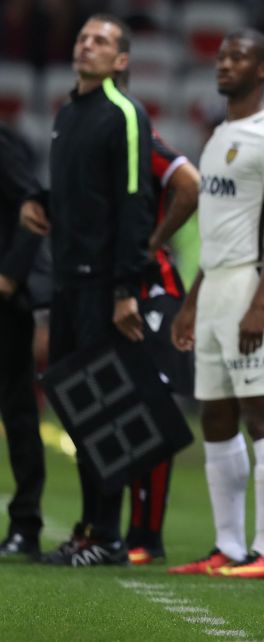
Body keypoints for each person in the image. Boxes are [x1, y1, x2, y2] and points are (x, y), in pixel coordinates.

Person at [166, 29, 264, 580]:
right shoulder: (220, 133)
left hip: (252, 288)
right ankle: (227, 547)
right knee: (216, 416)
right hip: (216, 285)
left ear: (263, 69)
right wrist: (192, 300)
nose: (224, 64)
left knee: (263, 414)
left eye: (238, 57)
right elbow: (217, 232)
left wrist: (259, 304)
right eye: (221, 56)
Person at [19, 13, 155, 566]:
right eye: (82, 38)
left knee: (104, 411)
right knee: (77, 411)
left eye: (101, 41)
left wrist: (126, 288)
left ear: (121, 61)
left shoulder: (125, 115)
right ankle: (88, 528)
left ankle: (108, 535)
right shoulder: (68, 112)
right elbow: (79, 192)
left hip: (103, 288)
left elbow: (133, 203)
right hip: (69, 286)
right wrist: (41, 201)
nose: (87, 45)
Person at [120, 64, 201, 565]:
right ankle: (113, 528)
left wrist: (149, 247)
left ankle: (146, 536)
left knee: (154, 411)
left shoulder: (143, 142)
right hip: (113, 290)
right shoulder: (91, 152)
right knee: (121, 412)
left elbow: (187, 185)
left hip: (157, 291)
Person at [0, 123, 45, 560]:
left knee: (16, 411)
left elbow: (36, 208)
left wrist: (10, 276)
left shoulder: (4, 146)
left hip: (4, 307)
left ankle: (25, 524)